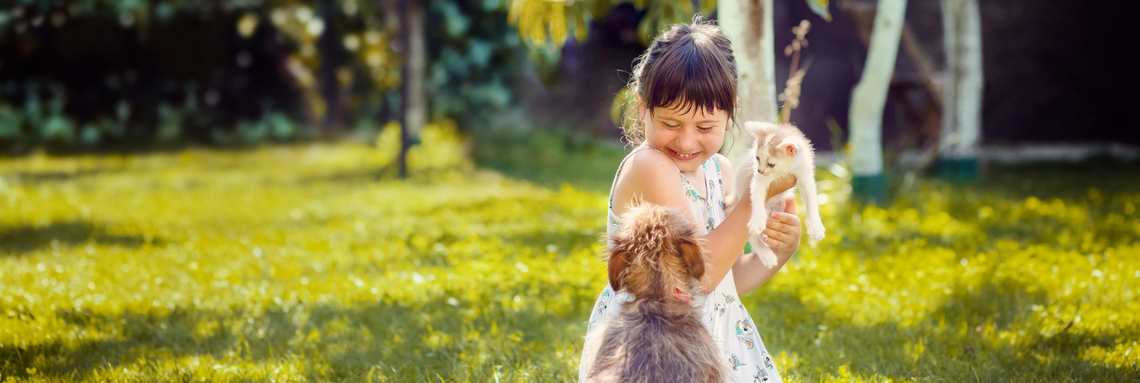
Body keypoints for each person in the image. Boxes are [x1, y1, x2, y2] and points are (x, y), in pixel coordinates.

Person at [578, 18, 802, 382]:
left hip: (714, 338)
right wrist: (754, 196)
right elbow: (696, 279)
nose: (685, 142)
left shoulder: (720, 171)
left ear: (730, 113)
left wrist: (776, 252)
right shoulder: (650, 166)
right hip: (653, 352)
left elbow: (726, 284)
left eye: (704, 128)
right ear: (642, 107)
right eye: (670, 123)